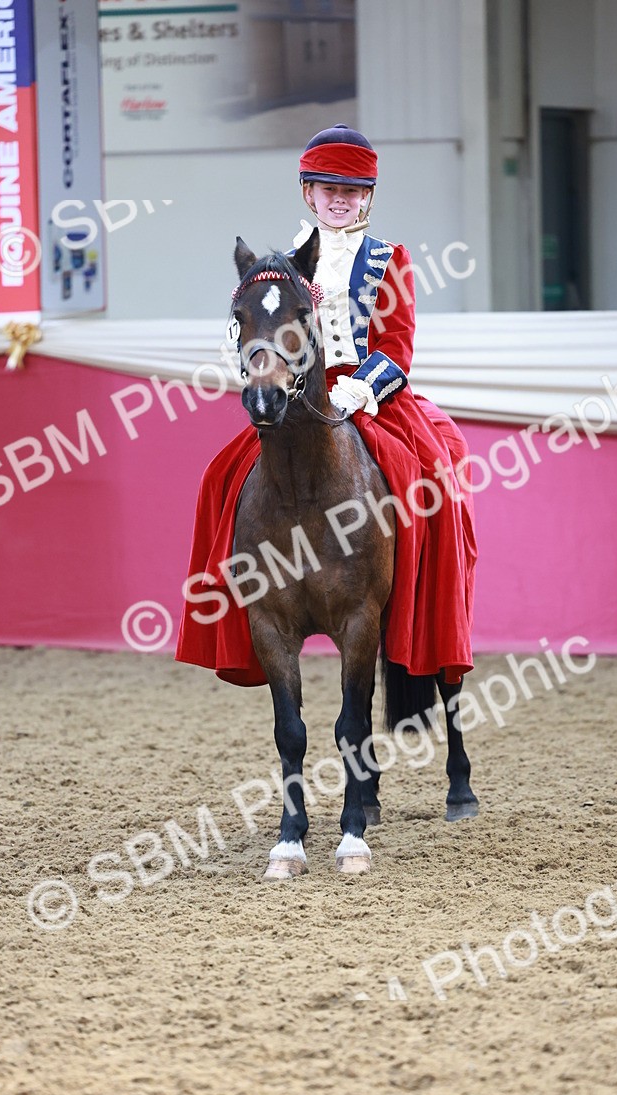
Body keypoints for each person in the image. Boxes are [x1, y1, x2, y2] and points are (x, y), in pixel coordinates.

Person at [175, 124, 477, 688]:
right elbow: (250, 331)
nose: (339, 201)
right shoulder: (281, 265)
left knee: (433, 473)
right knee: (219, 479)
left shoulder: (390, 260)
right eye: (327, 190)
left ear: (367, 198)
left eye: (352, 192)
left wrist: (358, 389)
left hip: (371, 396)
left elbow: (397, 348)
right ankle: (231, 611)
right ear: (308, 193)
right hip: (297, 396)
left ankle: (427, 610)